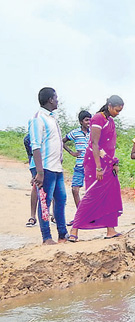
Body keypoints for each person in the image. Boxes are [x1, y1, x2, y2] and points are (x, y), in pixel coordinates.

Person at [67, 95, 125, 242]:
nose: (118, 113)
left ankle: (110, 229)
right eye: (117, 110)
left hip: (108, 162)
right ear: (110, 106)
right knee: (91, 195)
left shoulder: (109, 121)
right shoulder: (98, 119)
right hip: (95, 164)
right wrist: (99, 167)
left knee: (109, 196)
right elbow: (95, 144)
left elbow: (109, 145)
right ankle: (74, 229)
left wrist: (113, 162)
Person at [28, 87, 66, 245]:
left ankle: (63, 234)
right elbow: (35, 146)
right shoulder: (38, 118)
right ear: (50, 99)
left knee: (61, 199)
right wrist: (40, 172)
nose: (58, 100)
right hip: (45, 168)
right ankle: (46, 237)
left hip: (56, 167)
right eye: (56, 97)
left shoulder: (52, 118)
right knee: (45, 201)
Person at [63, 110, 91, 212]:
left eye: (90, 120)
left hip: (91, 166)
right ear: (80, 122)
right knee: (75, 190)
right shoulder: (75, 133)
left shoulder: (93, 132)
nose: (89, 122)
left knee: (91, 191)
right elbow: (62, 141)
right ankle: (81, 213)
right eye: (86, 120)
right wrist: (71, 152)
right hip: (80, 165)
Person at [23, 133, 39, 227]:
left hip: (50, 163)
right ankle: (32, 216)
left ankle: (53, 215)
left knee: (52, 187)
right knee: (36, 186)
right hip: (35, 163)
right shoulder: (29, 137)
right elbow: (30, 154)